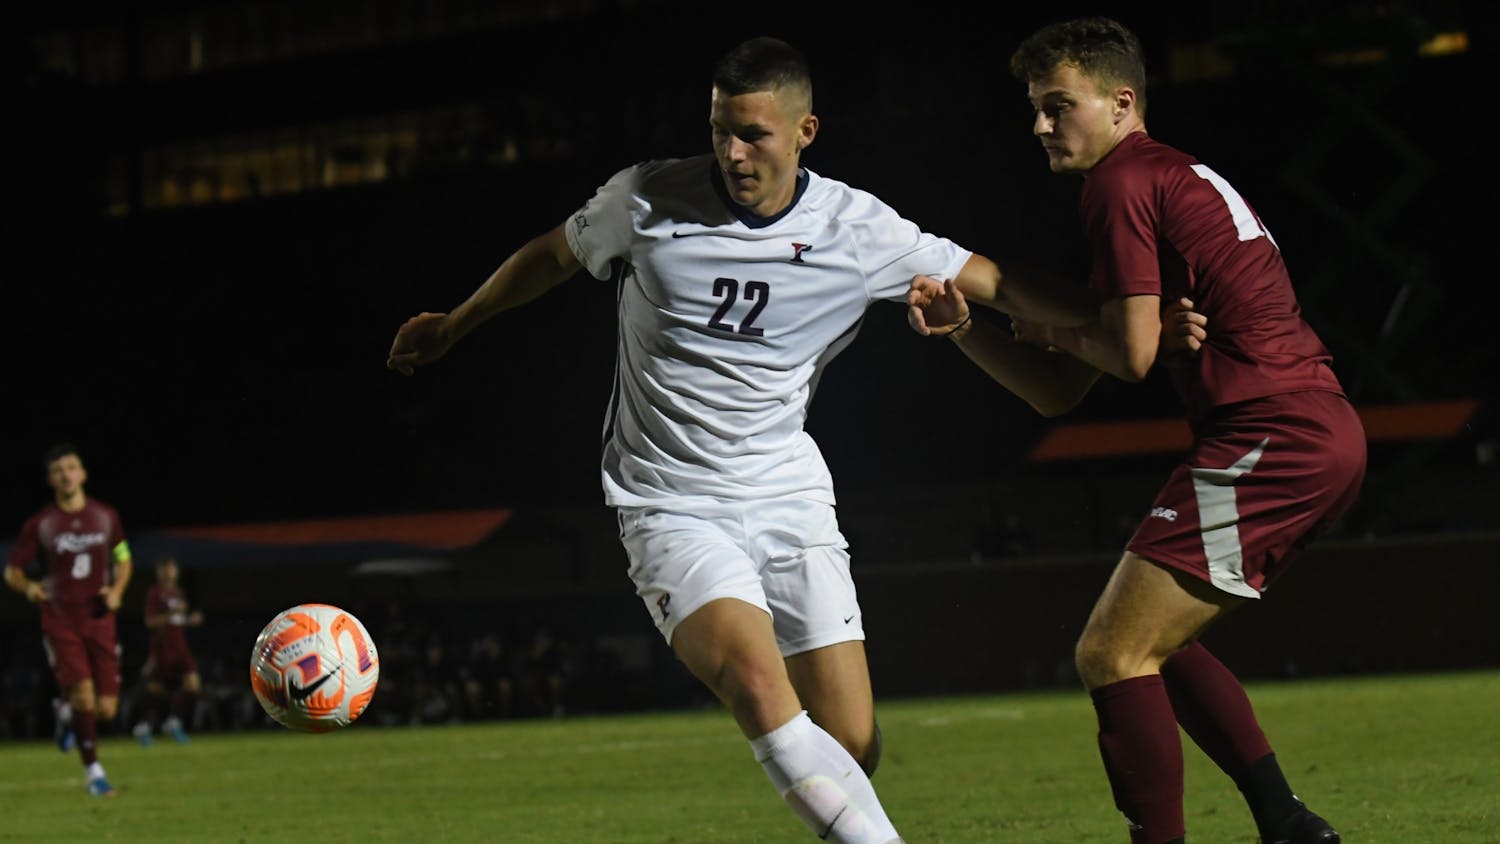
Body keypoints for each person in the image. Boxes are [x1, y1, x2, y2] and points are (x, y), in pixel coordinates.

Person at [386, 35, 1113, 844]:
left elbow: (1000, 282)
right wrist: (455, 325)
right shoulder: (645, 200)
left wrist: (1122, 320)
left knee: (852, 745)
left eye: (754, 134)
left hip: (787, 492)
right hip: (668, 501)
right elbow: (553, 255)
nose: (732, 152)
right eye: (720, 130)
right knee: (758, 685)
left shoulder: (856, 229)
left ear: (805, 133)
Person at [909, 16, 1362, 844]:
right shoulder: (1161, 179)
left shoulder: (1118, 186)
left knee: (1110, 656)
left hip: (1274, 433)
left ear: (1122, 103)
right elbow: (1062, 389)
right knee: (1157, 645)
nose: (1041, 125)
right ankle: (1287, 822)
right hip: (1300, 427)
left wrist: (1064, 331)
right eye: (1034, 109)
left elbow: (1128, 352)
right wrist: (970, 328)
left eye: (1059, 105)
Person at [4, 443, 133, 796]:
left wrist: (118, 590)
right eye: (59, 470)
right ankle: (94, 773)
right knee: (85, 696)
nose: (66, 474)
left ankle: (65, 716)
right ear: (50, 479)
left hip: (100, 619)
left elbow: (124, 558)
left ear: (83, 473)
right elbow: (12, 571)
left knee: (106, 708)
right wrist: (29, 588)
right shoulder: (41, 524)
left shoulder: (106, 516)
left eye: (72, 467)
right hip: (61, 620)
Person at [132, 553, 204, 745]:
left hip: (180, 647)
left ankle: (173, 721)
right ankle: (142, 726)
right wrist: (173, 612)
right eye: (167, 569)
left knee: (193, 684)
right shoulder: (154, 594)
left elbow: (175, 621)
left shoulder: (178, 592)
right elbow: (150, 622)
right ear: (160, 572)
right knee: (156, 690)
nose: (171, 573)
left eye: (173, 569)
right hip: (163, 648)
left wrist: (189, 620)